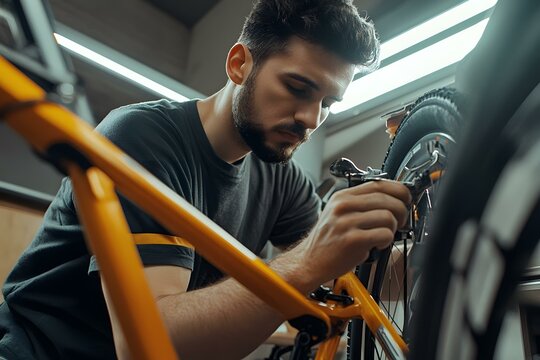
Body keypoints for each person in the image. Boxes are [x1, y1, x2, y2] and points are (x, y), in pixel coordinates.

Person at [0, 0, 411, 359]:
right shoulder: (143, 136)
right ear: (239, 64)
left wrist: (444, 237)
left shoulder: (282, 180)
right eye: (297, 87)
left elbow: (351, 272)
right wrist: (306, 262)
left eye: (328, 103)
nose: (310, 118)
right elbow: (150, 344)